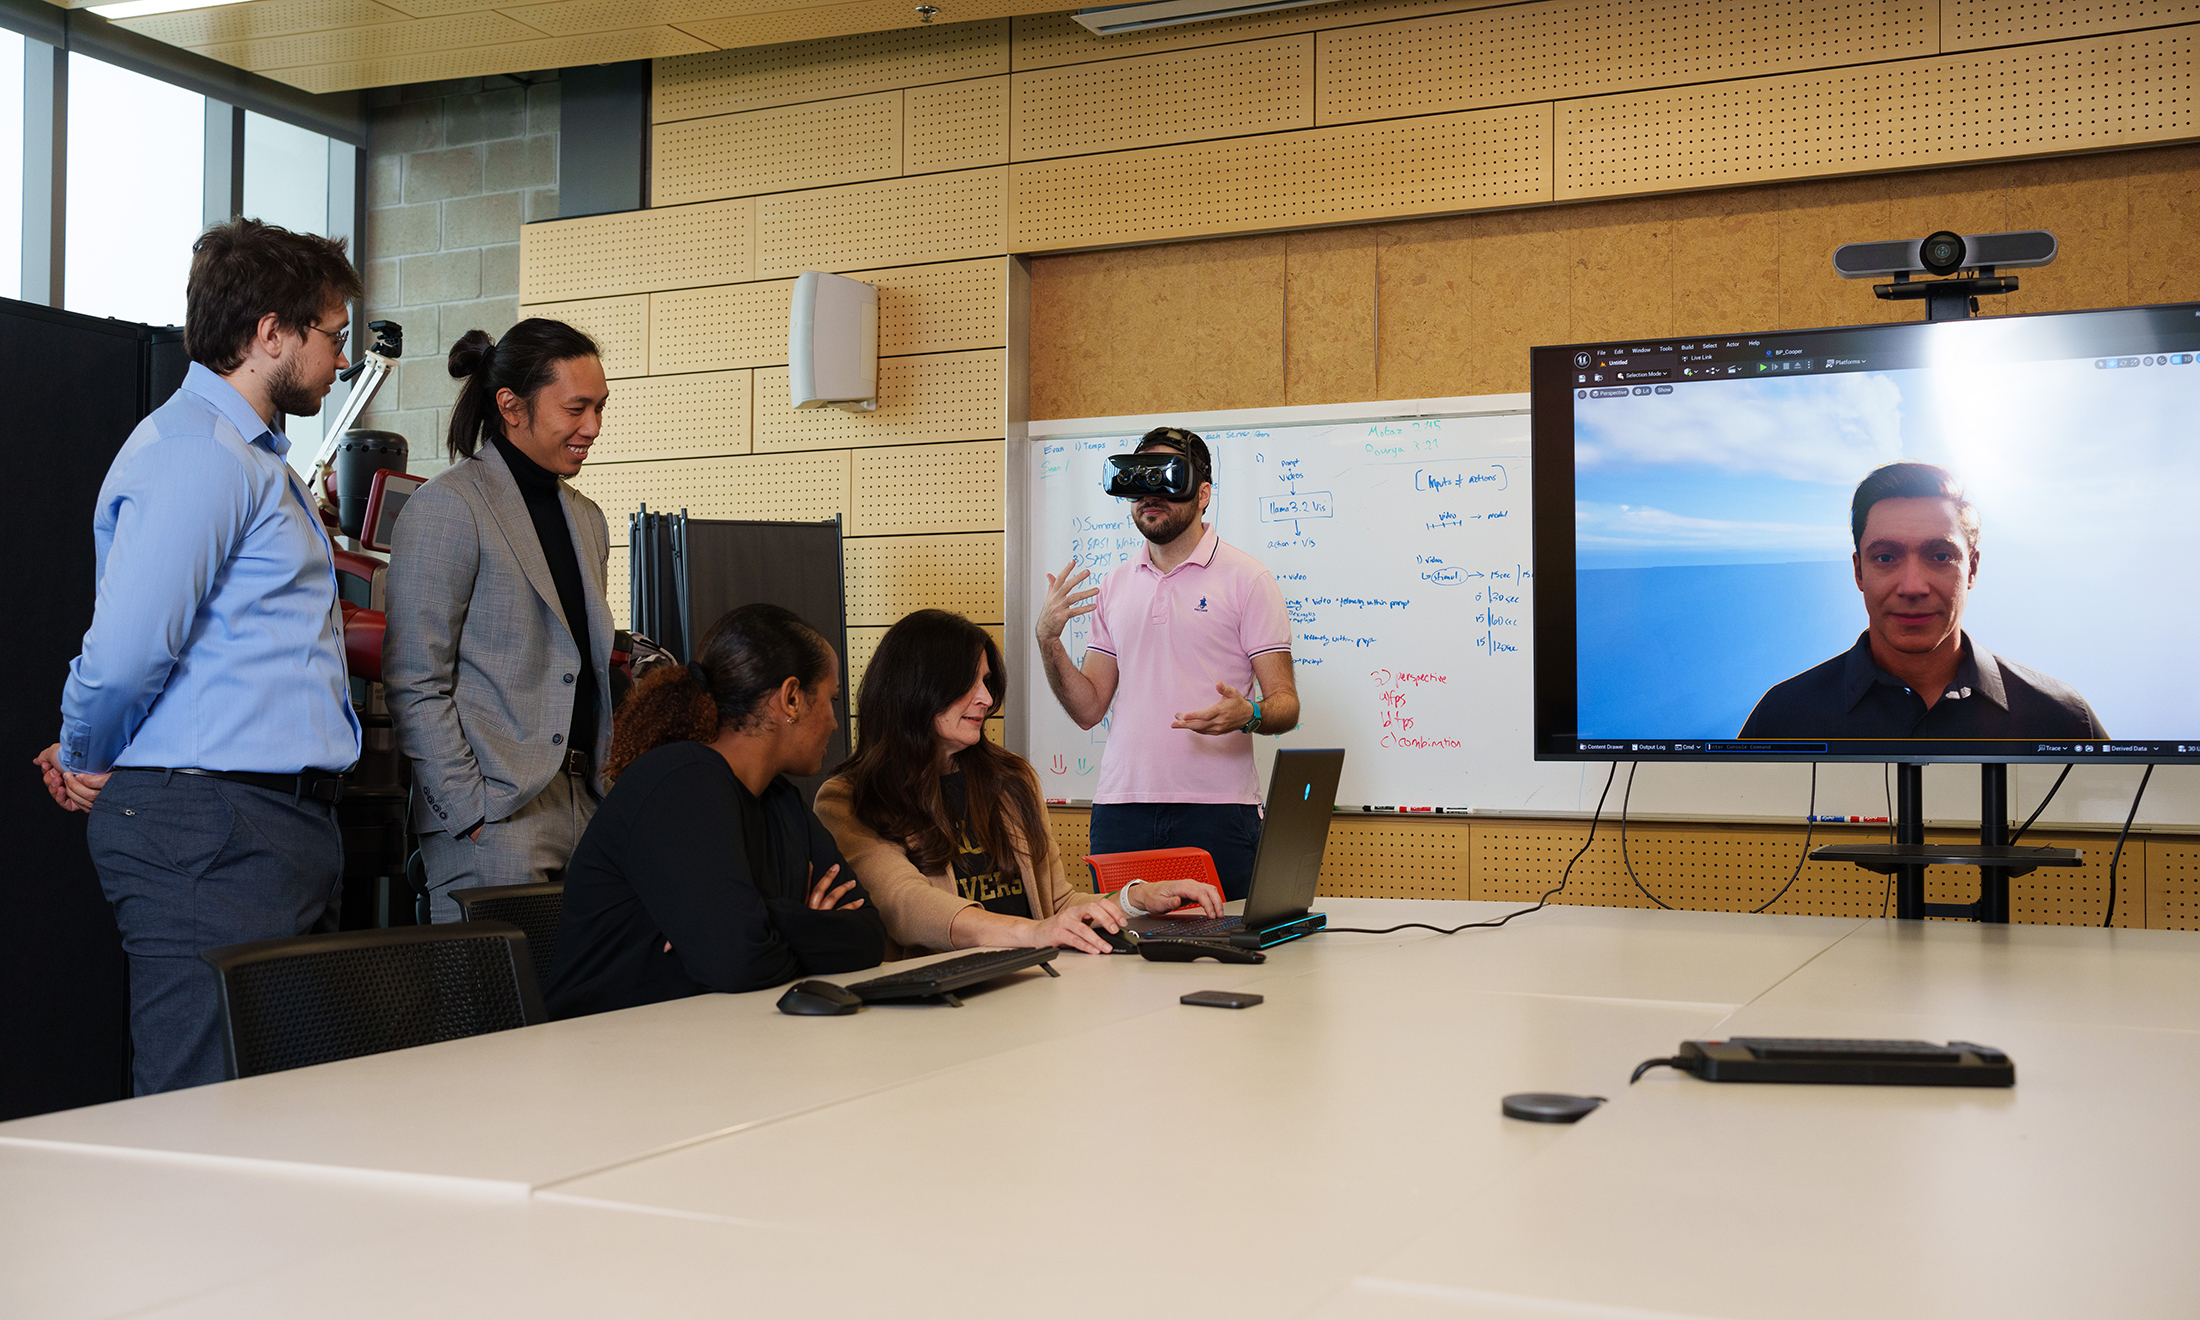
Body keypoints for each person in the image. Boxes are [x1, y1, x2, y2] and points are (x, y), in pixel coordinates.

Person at [31, 219, 363, 1095]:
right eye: (333, 335)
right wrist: (85, 755)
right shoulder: (198, 455)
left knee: (271, 1114)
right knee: (198, 1114)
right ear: (269, 334)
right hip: (209, 831)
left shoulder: (254, 462)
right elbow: (128, 652)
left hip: (263, 827)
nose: (340, 360)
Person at [544, 604, 885, 1018]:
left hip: (711, 1040)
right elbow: (739, 963)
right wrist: (802, 926)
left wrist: (765, 917)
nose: (835, 721)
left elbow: (868, 937)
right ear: (791, 698)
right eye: (831, 698)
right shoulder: (681, 781)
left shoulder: (780, 800)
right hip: (610, 1054)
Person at [817, 610, 1222, 958]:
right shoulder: (849, 797)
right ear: (915, 687)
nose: (985, 699)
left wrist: (1136, 899)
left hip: (1032, 984)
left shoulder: (1011, 780)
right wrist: (1029, 934)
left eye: (987, 683)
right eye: (968, 684)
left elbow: (1057, 904)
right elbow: (905, 905)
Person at [382, 321, 615, 922]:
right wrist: (467, 809)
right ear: (511, 407)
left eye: (599, 407)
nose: (593, 427)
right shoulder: (448, 507)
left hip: (585, 805)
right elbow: (414, 680)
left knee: (590, 1014)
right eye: (576, 408)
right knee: (493, 1015)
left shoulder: (587, 518)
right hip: (494, 816)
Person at [1036, 427, 1299, 900]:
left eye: (1165, 480)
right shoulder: (1116, 585)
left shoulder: (1248, 579)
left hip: (1217, 812)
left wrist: (1251, 714)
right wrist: (1048, 641)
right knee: (1120, 954)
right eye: (1139, 481)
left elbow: (1286, 705)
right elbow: (1089, 708)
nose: (1149, 495)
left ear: (1202, 494)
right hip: (1121, 810)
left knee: (1227, 949)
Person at [1739, 461, 2105, 741]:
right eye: (1886, 557)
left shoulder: (2062, 718)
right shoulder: (1782, 719)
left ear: (1972, 568)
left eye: (1940, 556)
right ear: (1859, 573)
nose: (1912, 586)